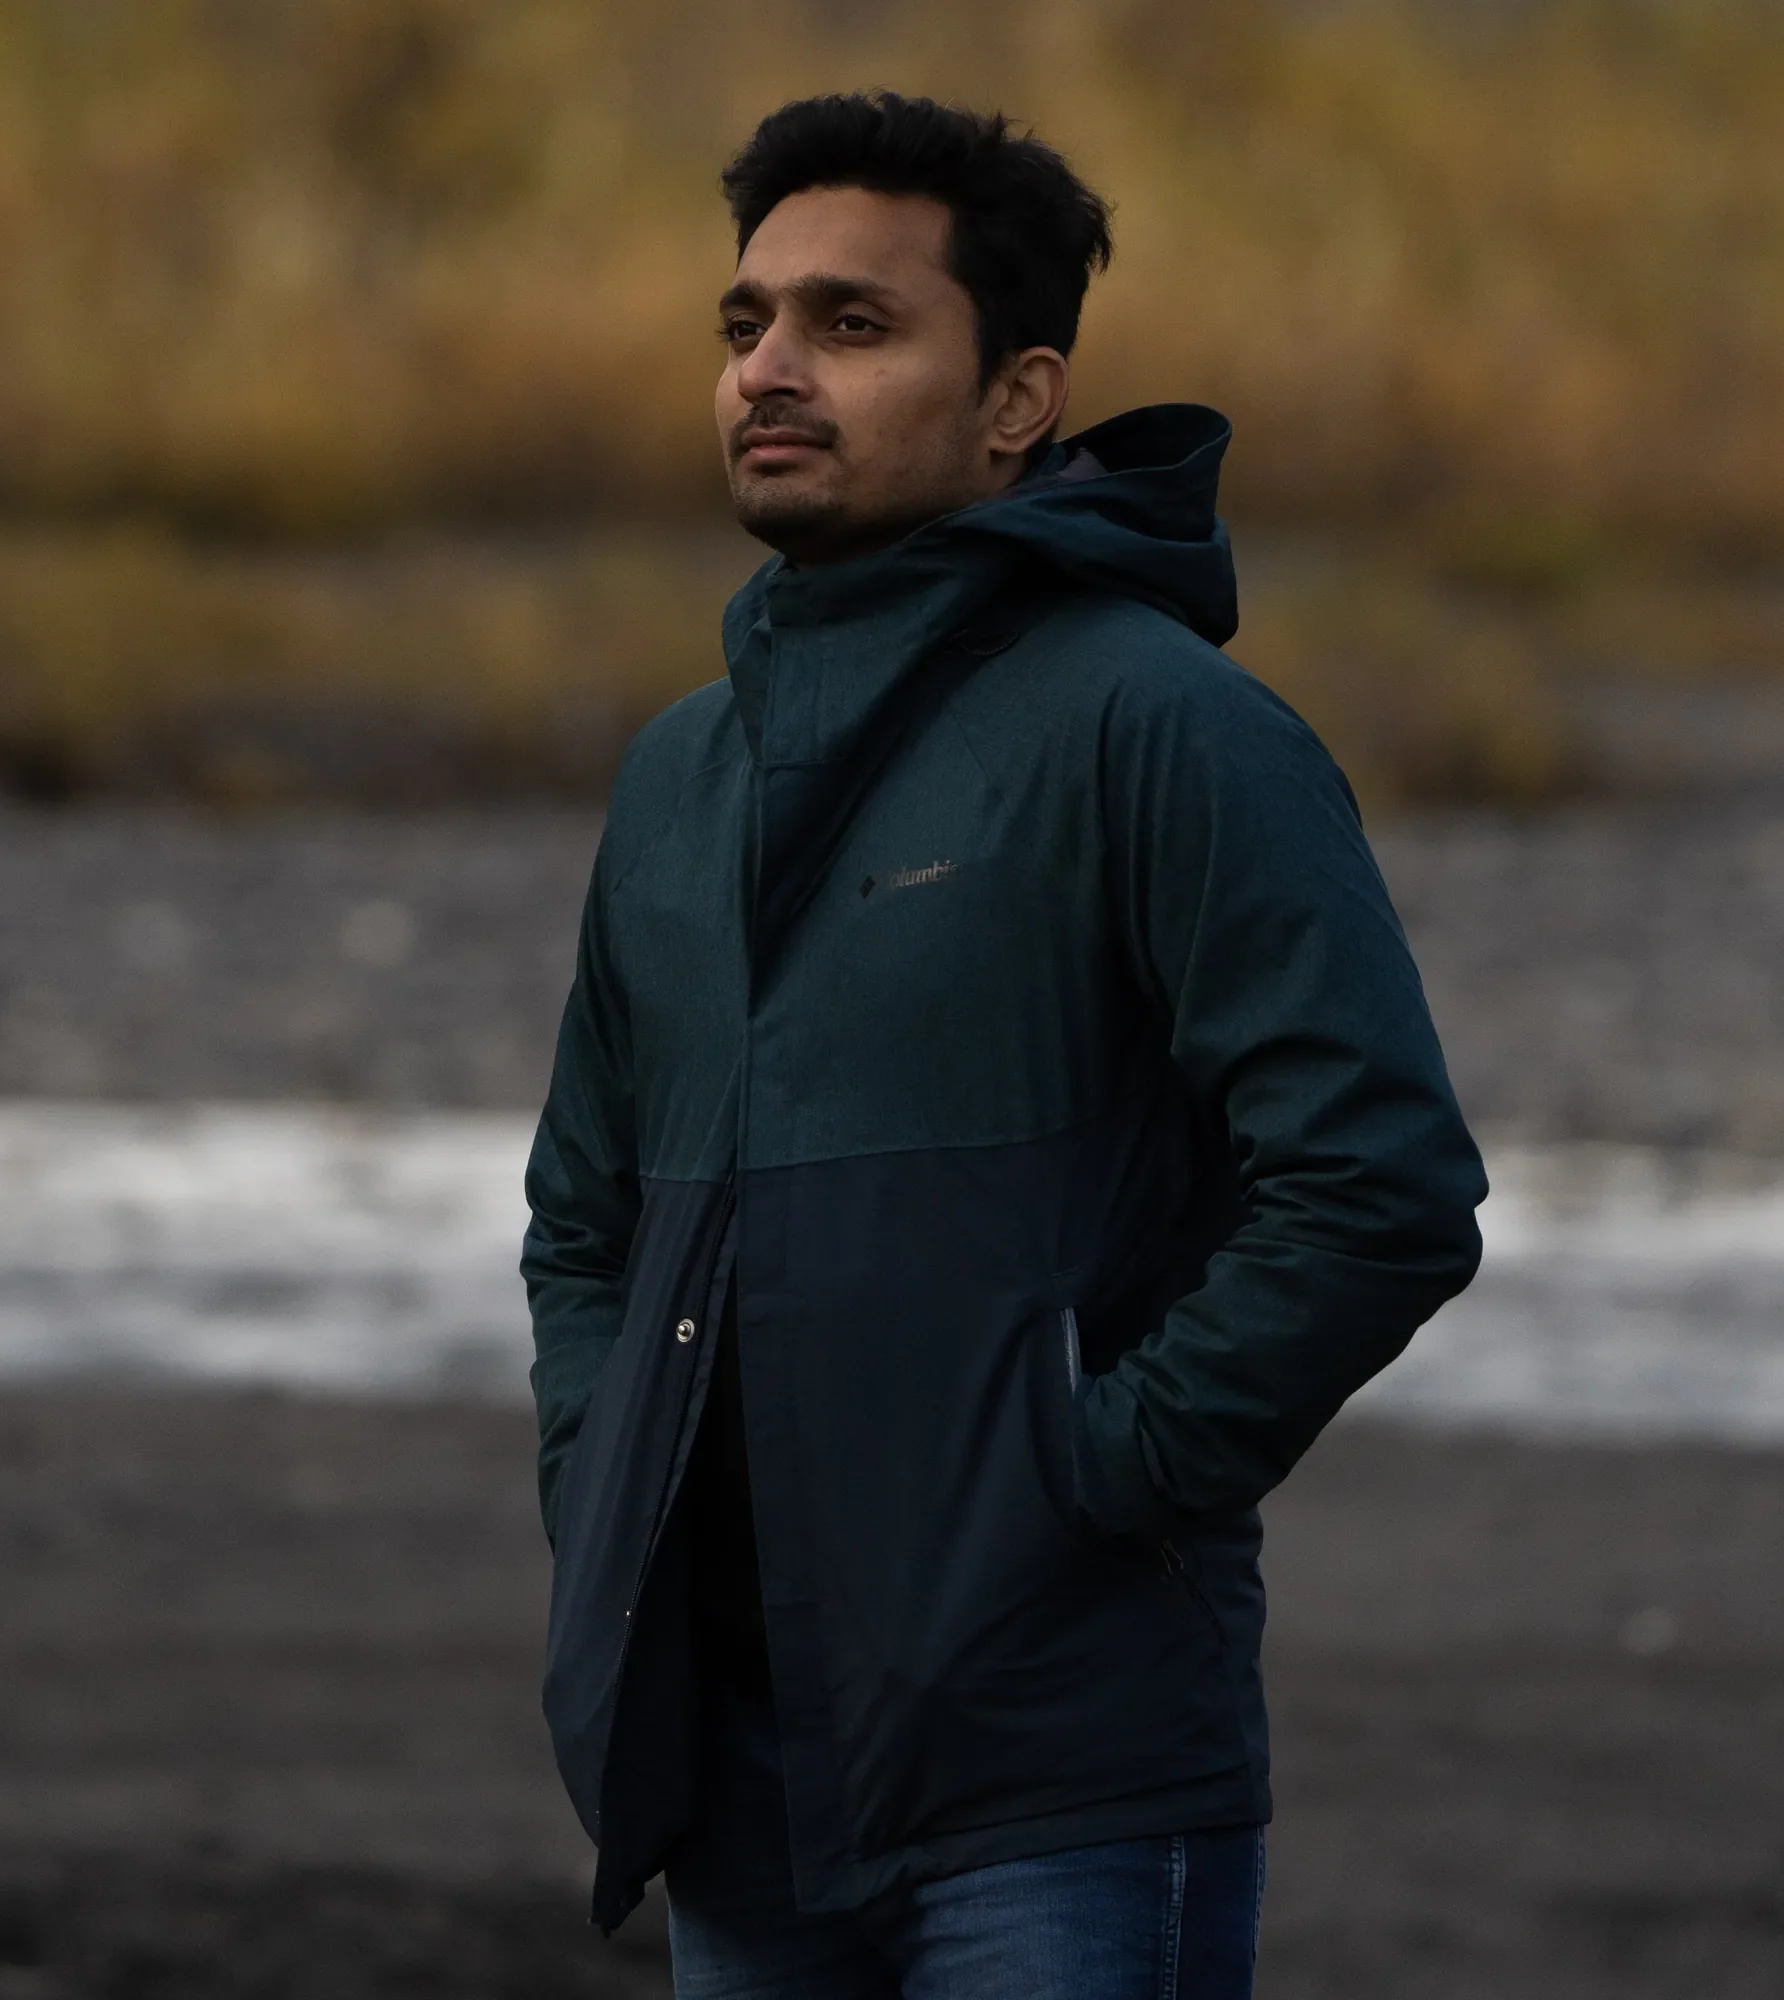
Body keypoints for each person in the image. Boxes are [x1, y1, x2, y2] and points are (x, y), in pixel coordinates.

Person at [522, 90, 1485, 2000]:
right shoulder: (679, 776)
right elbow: (585, 1222)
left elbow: (1378, 1186)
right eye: (746, 325)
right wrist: (603, 1476)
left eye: (852, 327)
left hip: (1063, 1770)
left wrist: (1082, 1478)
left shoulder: (1164, 731)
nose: (771, 372)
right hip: (737, 1773)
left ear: (1020, 397)